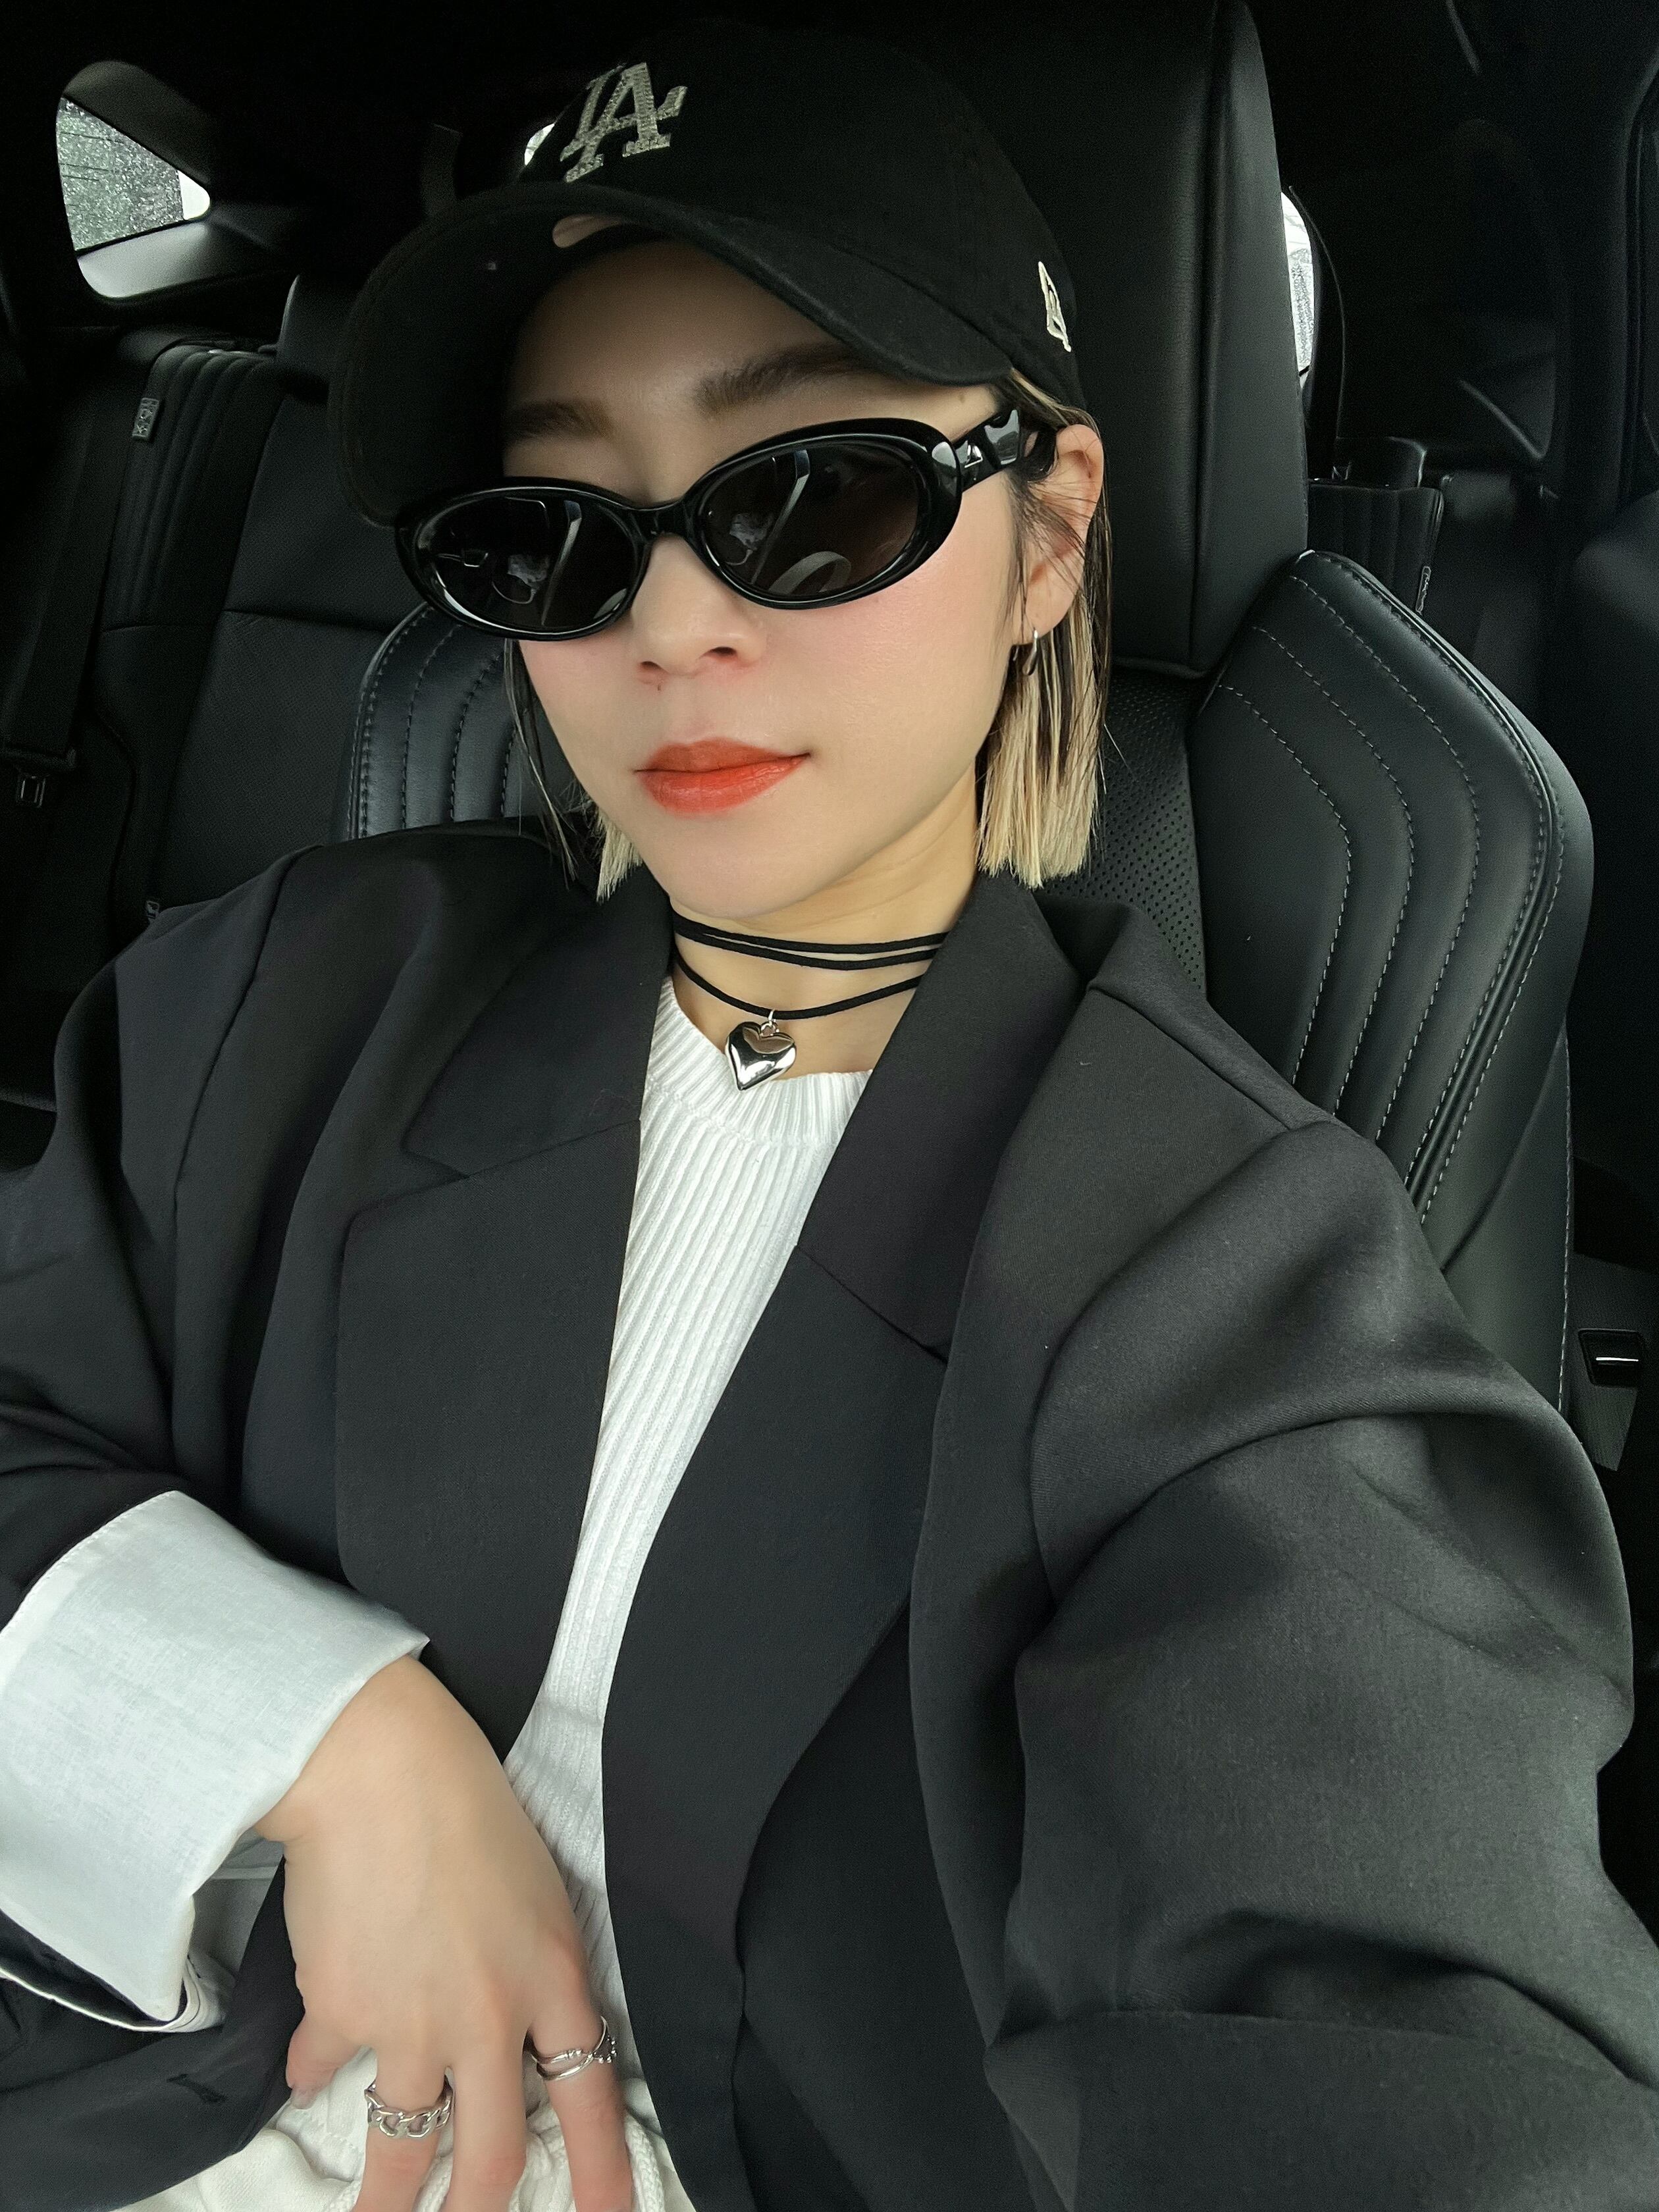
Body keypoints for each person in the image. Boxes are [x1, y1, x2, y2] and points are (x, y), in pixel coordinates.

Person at [2, 18, 1658, 2212]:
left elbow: (1386, 2035)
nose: (675, 623)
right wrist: (324, 1741)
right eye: (553, 539)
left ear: (1048, 532)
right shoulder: (278, 1000)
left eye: (816, 495)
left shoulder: (1228, 1278)